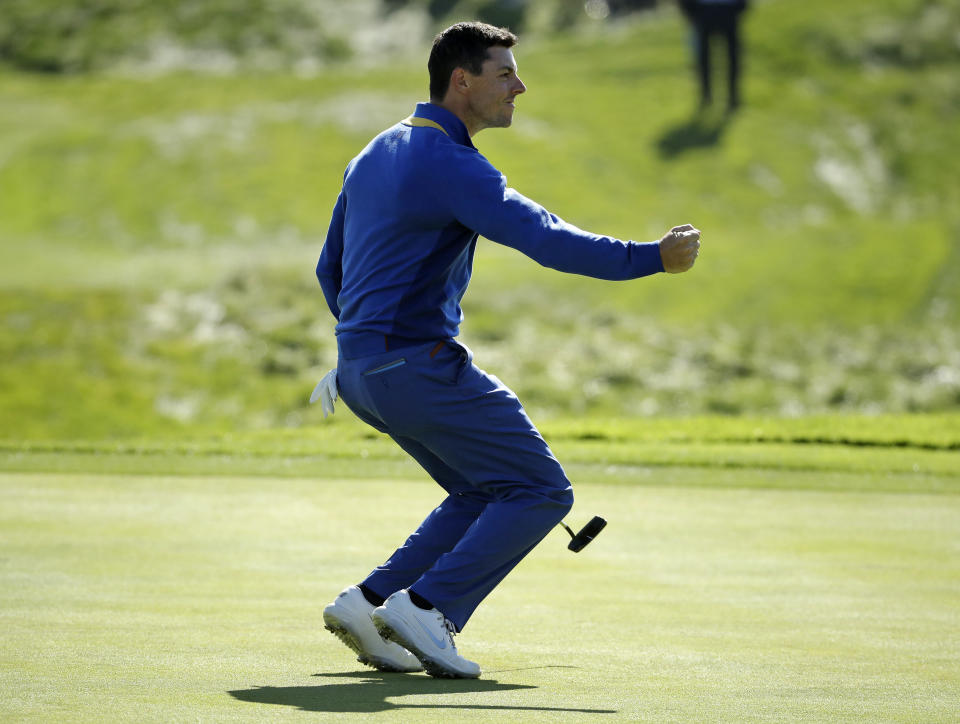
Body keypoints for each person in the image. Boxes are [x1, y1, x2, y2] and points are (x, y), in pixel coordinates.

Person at [315, 21, 701, 679]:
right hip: (412, 364)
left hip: (358, 370)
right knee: (540, 489)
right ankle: (429, 607)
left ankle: (369, 602)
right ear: (460, 81)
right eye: (504, 74)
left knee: (479, 492)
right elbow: (547, 239)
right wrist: (652, 259)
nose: (519, 86)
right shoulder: (451, 163)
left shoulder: (375, 151)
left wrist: (362, 347)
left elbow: (331, 271)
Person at [680, 0, 749, 111]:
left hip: (729, 9)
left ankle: (733, 96)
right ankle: (705, 96)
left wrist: (741, 6)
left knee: (733, 57)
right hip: (703, 10)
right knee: (703, 58)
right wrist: (689, 9)